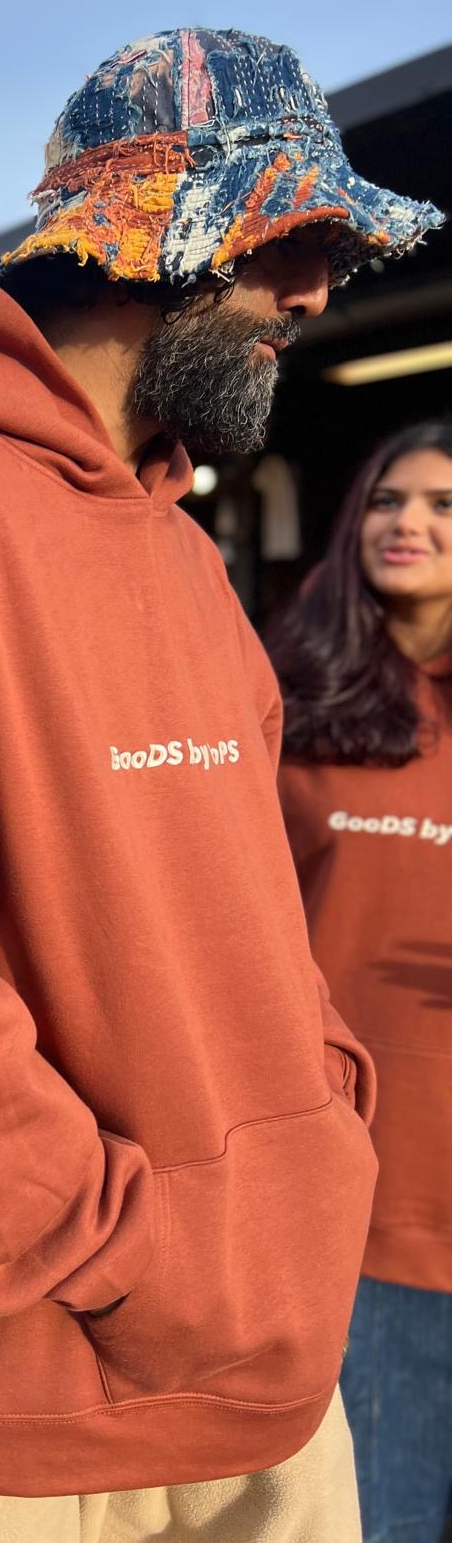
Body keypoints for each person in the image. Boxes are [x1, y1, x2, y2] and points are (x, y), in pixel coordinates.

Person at [0, 28, 442, 1543]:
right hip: (18, 1394)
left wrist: (318, 1140)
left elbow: (247, 907)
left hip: (262, 1340)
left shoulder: (187, 558)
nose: (320, 292)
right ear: (159, 244)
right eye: (293, 239)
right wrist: (141, 1254)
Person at [269, 421, 452, 1543]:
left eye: (445, 503)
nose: (411, 522)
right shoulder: (294, 696)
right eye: (389, 499)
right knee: (380, 1510)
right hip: (371, 1189)